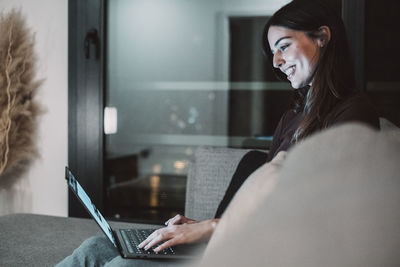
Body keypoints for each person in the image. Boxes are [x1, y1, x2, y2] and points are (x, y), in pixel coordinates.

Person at [56, 0, 379, 266]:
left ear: (322, 36)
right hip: (242, 240)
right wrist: (202, 229)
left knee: (126, 264)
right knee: (95, 248)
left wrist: (214, 228)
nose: (277, 61)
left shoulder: (353, 114)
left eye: (284, 46)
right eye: (273, 53)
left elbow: (320, 218)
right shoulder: (295, 115)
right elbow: (262, 201)